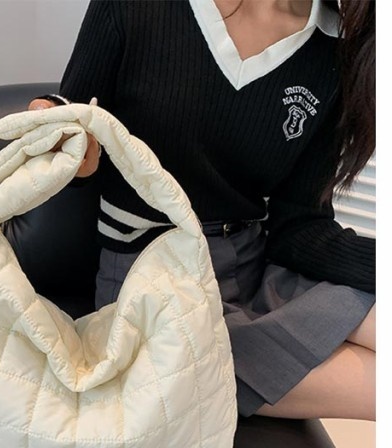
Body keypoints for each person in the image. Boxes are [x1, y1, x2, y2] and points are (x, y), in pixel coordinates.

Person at [29, 0, 375, 421]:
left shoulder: (335, 49)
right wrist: (58, 138)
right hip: (150, 279)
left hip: (253, 268)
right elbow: (74, 126)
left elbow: (300, 225)